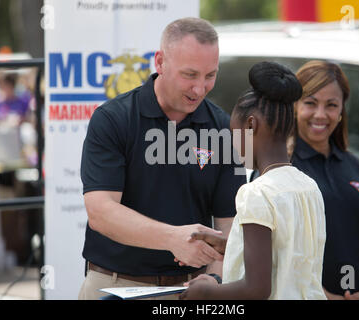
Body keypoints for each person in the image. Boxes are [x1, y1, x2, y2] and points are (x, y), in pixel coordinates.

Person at [78, 17, 246, 300]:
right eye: (190, 75)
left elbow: (230, 225)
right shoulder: (112, 119)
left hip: (192, 290)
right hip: (115, 286)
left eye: (210, 75)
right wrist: (172, 239)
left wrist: (216, 276)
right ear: (160, 62)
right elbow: (100, 212)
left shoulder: (225, 128)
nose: (200, 88)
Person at [179, 61, 327, 300]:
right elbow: (285, 252)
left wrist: (208, 291)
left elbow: (256, 289)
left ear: (250, 125)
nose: (233, 145)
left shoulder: (256, 193)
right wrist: (230, 242)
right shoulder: (309, 187)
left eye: (234, 134)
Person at [291, 60, 359, 300]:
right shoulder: (284, 168)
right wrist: (321, 295)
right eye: (310, 103)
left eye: (331, 105)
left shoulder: (356, 168)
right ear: (295, 105)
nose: (321, 115)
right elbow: (280, 249)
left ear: (342, 109)